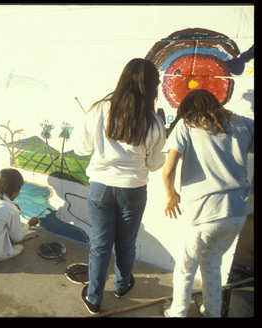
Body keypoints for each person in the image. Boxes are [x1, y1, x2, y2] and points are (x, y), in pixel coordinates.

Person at [73, 58, 167, 315]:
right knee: (126, 243)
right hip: (133, 189)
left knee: (101, 245)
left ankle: (94, 298)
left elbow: (81, 148)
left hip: (100, 187)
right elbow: (156, 164)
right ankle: (122, 286)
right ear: (151, 86)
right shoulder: (154, 122)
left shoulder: (99, 109)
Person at [162, 89, 254, 317]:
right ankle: (212, 312)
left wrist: (171, 194)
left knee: (185, 268)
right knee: (212, 264)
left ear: (187, 108)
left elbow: (169, 168)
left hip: (204, 213)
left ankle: (177, 313)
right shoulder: (242, 123)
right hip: (237, 212)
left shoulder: (187, 124)